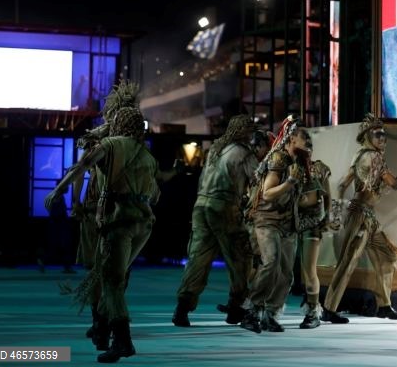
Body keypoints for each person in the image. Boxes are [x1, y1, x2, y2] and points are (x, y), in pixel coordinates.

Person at [44, 107, 165, 364]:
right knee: (115, 277)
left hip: (119, 222)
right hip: (144, 224)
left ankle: (122, 340)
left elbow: (83, 165)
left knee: (111, 280)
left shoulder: (111, 145)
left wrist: (58, 191)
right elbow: (155, 194)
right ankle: (102, 327)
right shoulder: (147, 156)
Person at [322, 113, 397, 323]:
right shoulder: (374, 157)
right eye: (377, 134)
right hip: (360, 216)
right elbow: (395, 184)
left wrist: (337, 211)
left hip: (365, 216)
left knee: (387, 257)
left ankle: (384, 305)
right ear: (367, 136)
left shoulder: (360, 155)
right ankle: (329, 308)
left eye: (384, 135)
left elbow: (342, 184)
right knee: (348, 261)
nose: (383, 138)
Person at [172, 116, 270, 327]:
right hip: (224, 207)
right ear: (243, 132)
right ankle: (235, 308)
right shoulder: (243, 153)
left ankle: (182, 308)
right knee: (241, 257)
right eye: (250, 131)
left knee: (198, 258)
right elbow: (258, 183)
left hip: (201, 206)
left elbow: (201, 181)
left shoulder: (215, 150)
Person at [240, 115, 311, 334]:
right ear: (290, 139)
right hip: (267, 220)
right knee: (270, 263)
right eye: (303, 136)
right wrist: (289, 183)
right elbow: (268, 193)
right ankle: (253, 310)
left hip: (287, 224)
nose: (308, 139)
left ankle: (270, 313)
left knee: (287, 273)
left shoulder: (300, 162)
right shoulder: (279, 159)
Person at [297, 140, 339, 329]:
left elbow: (328, 196)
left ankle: (314, 311)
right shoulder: (289, 167)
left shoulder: (319, 169)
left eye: (308, 147)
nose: (306, 151)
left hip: (311, 223)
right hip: (289, 222)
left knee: (309, 269)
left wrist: (326, 218)